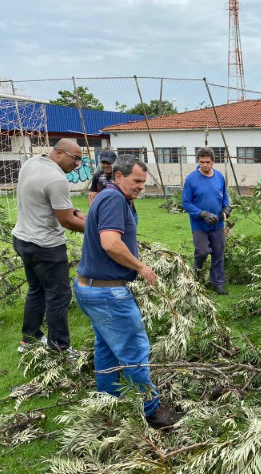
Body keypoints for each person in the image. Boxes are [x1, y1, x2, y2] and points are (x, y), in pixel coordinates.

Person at [73, 155, 182, 429]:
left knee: (107, 348)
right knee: (135, 350)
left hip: (91, 288)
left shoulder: (112, 198)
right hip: (107, 294)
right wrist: (141, 267)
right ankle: (153, 413)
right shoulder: (112, 199)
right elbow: (110, 243)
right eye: (136, 181)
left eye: (143, 183)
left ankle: (109, 403)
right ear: (118, 177)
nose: (140, 187)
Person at [12, 139, 86, 353]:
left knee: (37, 290)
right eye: (75, 158)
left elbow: (60, 206)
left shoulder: (32, 163)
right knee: (58, 295)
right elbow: (66, 221)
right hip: (45, 247)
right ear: (60, 153)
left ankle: (30, 340)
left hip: (23, 239)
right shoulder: (56, 178)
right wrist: (96, 231)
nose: (77, 164)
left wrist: (80, 214)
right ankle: (60, 347)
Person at [182, 148, 232, 295]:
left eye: (208, 162)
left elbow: (224, 197)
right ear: (198, 161)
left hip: (217, 224)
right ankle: (197, 269)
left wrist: (226, 209)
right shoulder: (191, 179)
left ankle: (218, 283)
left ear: (213, 162)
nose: (205, 165)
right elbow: (186, 203)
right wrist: (202, 214)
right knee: (202, 251)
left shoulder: (219, 177)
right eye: (202, 162)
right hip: (199, 225)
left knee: (218, 253)